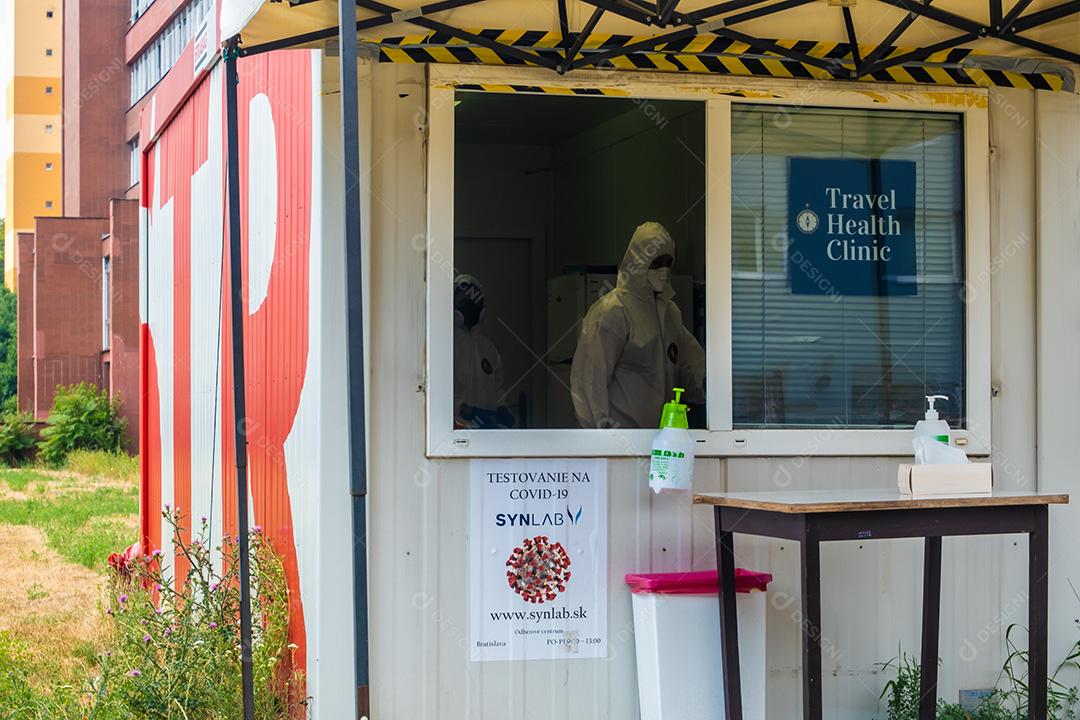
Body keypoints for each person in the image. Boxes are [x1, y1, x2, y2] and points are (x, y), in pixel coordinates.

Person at [570, 222, 705, 429]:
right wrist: (601, 438)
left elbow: (693, 366)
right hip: (621, 443)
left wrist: (722, 391)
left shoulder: (669, 314)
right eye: (657, 262)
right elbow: (589, 382)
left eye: (669, 262)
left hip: (662, 443)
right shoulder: (613, 312)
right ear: (638, 262)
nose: (665, 270)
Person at [453, 274, 514, 429]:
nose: (469, 305)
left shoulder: (488, 349)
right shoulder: (445, 345)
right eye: (462, 300)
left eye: (474, 300)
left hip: (487, 435)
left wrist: (502, 408)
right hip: (456, 435)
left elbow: (497, 388)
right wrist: (465, 410)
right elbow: (438, 393)